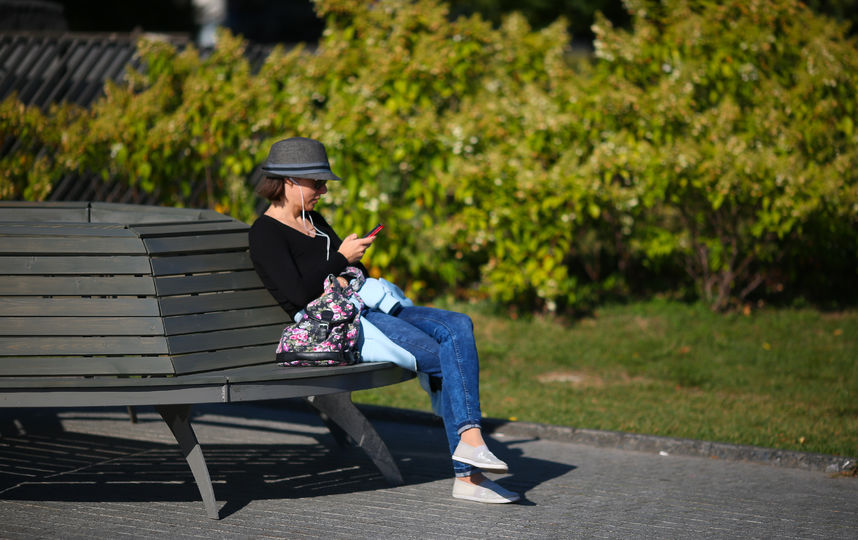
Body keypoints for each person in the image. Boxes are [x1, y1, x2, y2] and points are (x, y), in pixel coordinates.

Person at [248, 136, 520, 504]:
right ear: (290, 181)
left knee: (459, 325)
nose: (324, 191)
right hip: (340, 326)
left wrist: (349, 261)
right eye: (318, 182)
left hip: (369, 305)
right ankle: (469, 472)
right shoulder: (264, 233)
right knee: (445, 356)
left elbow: (353, 272)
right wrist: (340, 260)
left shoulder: (313, 220)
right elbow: (298, 295)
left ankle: (470, 451)